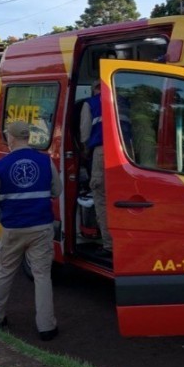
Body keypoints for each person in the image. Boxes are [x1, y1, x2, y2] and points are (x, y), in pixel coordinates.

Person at [0, 120, 62, 341]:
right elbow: (57, 190)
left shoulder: (2, 165)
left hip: (13, 228)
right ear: (28, 137)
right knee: (42, 276)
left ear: (11, 138)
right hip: (41, 226)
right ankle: (46, 326)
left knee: (5, 272)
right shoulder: (45, 161)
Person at [80, 80, 112, 258]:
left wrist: (85, 152)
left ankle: (108, 245)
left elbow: (84, 134)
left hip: (102, 152)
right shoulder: (123, 100)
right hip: (128, 153)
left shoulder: (91, 103)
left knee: (100, 196)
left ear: (96, 89)